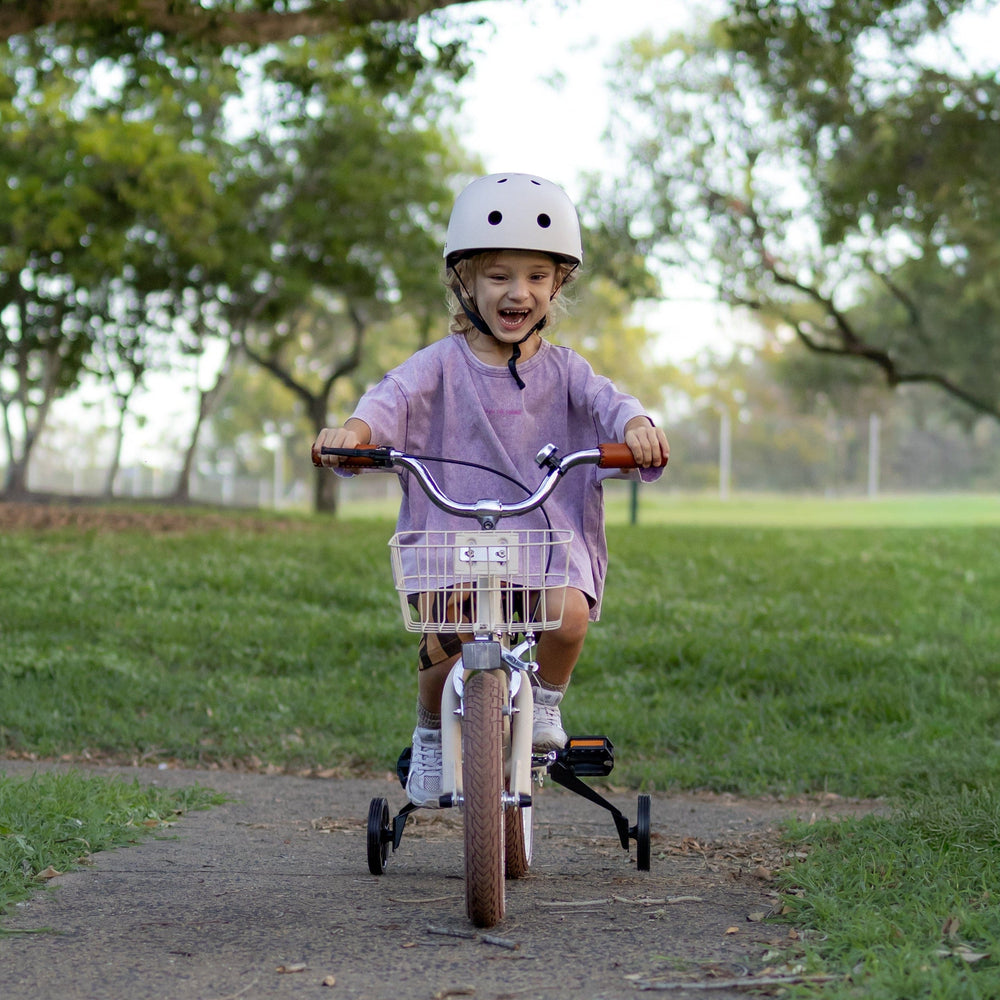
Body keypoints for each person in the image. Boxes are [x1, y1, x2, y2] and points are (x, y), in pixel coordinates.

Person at [314, 172, 669, 807]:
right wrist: (352, 431)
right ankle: (429, 735)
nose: (518, 292)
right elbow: (388, 399)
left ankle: (548, 706)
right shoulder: (439, 364)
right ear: (465, 281)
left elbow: (608, 401)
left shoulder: (565, 371)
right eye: (499, 276)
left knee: (571, 615)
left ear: (557, 284)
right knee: (440, 645)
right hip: (454, 540)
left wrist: (637, 427)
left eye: (536, 276)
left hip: (542, 538)